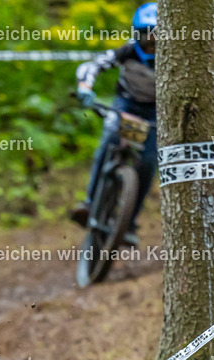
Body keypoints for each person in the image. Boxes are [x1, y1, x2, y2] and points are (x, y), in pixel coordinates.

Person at [71, 2, 158, 246]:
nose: (150, 42)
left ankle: (129, 222)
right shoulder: (127, 52)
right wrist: (85, 87)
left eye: (156, 36)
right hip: (127, 106)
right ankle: (89, 203)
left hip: (155, 113)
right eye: (145, 35)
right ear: (136, 34)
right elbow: (92, 65)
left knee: (149, 162)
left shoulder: (174, 57)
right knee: (110, 140)